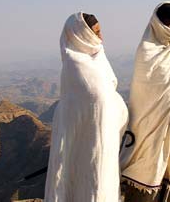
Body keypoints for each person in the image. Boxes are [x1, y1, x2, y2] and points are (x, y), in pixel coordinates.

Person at [120, 2, 170, 202]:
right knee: (144, 178)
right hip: (148, 131)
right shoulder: (147, 52)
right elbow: (146, 96)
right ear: (158, 24)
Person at [44, 12, 129, 202]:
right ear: (81, 36)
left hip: (102, 140)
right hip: (91, 139)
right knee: (87, 181)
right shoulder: (76, 66)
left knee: (99, 181)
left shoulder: (98, 58)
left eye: (100, 31)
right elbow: (98, 98)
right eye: (96, 33)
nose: (101, 38)